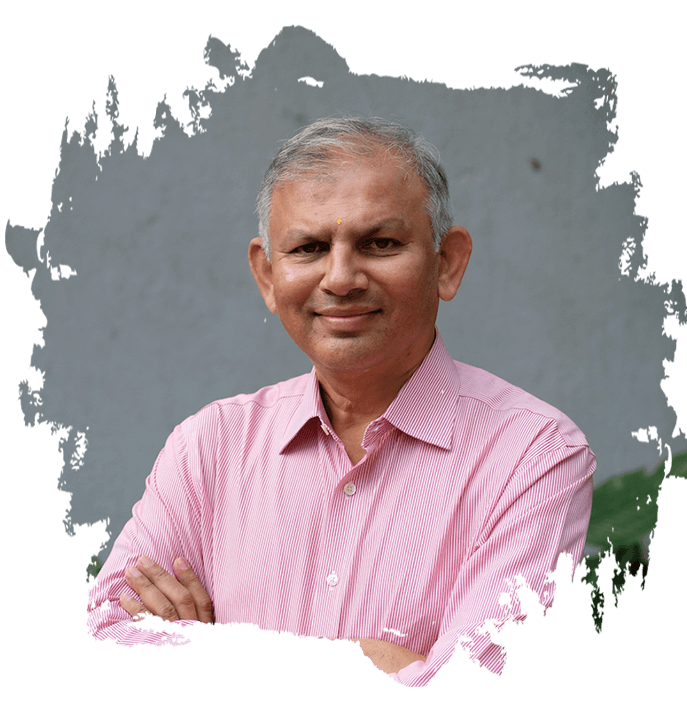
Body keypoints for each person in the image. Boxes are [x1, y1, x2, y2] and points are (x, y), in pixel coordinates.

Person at [87, 116, 595, 687]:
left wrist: (216, 658)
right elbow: (105, 652)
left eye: (380, 244)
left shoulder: (532, 455)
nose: (341, 278)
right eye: (309, 248)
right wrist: (377, 667)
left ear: (447, 263)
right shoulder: (211, 449)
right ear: (267, 276)